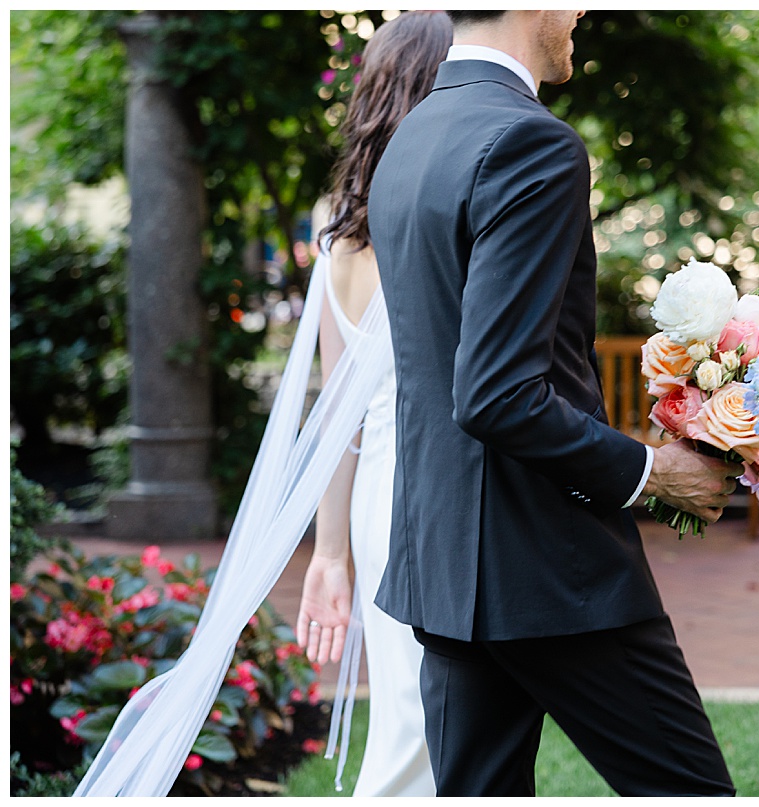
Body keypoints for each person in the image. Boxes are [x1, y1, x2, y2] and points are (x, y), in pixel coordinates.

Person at [367, 10, 740, 797]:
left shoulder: (412, 137)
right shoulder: (531, 142)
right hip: (548, 564)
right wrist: (652, 473)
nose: (581, 13)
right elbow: (498, 392)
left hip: (443, 558)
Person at [294, 10, 451, 797]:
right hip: (430, 488)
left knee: (418, 714)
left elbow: (337, 411)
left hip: (377, 496)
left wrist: (331, 551)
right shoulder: (432, 216)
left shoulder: (340, 227)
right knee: (416, 726)